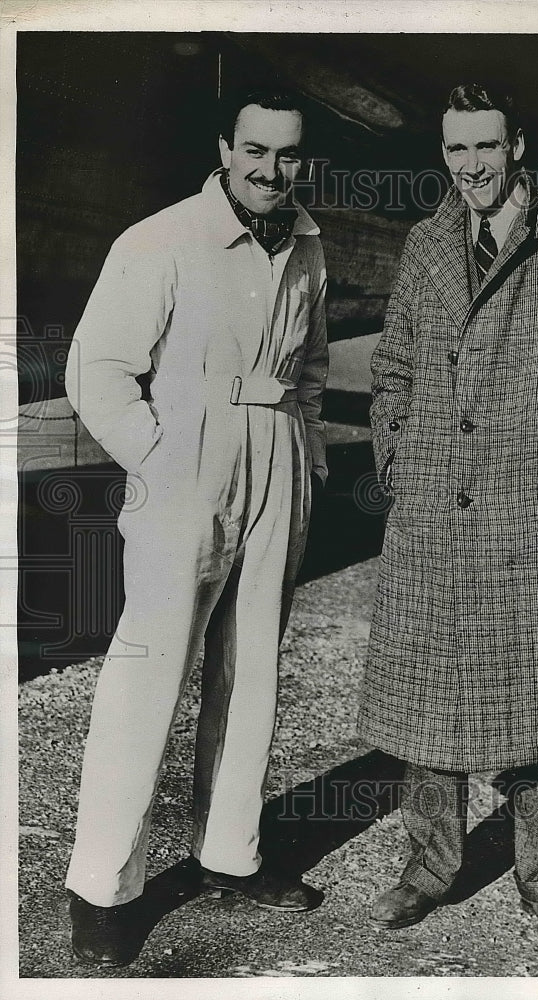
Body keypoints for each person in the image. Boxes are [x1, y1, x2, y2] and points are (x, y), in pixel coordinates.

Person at [358, 83, 538, 946]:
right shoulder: (424, 244)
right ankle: (430, 867)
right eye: (456, 151)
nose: (472, 168)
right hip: (435, 504)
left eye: (486, 148)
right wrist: (401, 454)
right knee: (427, 699)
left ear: (516, 144)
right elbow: (395, 366)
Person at [64, 89, 329, 966]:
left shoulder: (308, 241)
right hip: (187, 464)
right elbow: (97, 371)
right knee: (149, 673)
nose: (270, 170)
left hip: (277, 457)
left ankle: (230, 854)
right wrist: (159, 457)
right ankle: (102, 888)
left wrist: (309, 460)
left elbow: (314, 364)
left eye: (288, 155)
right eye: (255, 150)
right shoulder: (159, 238)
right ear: (224, 146)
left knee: (252, 668)